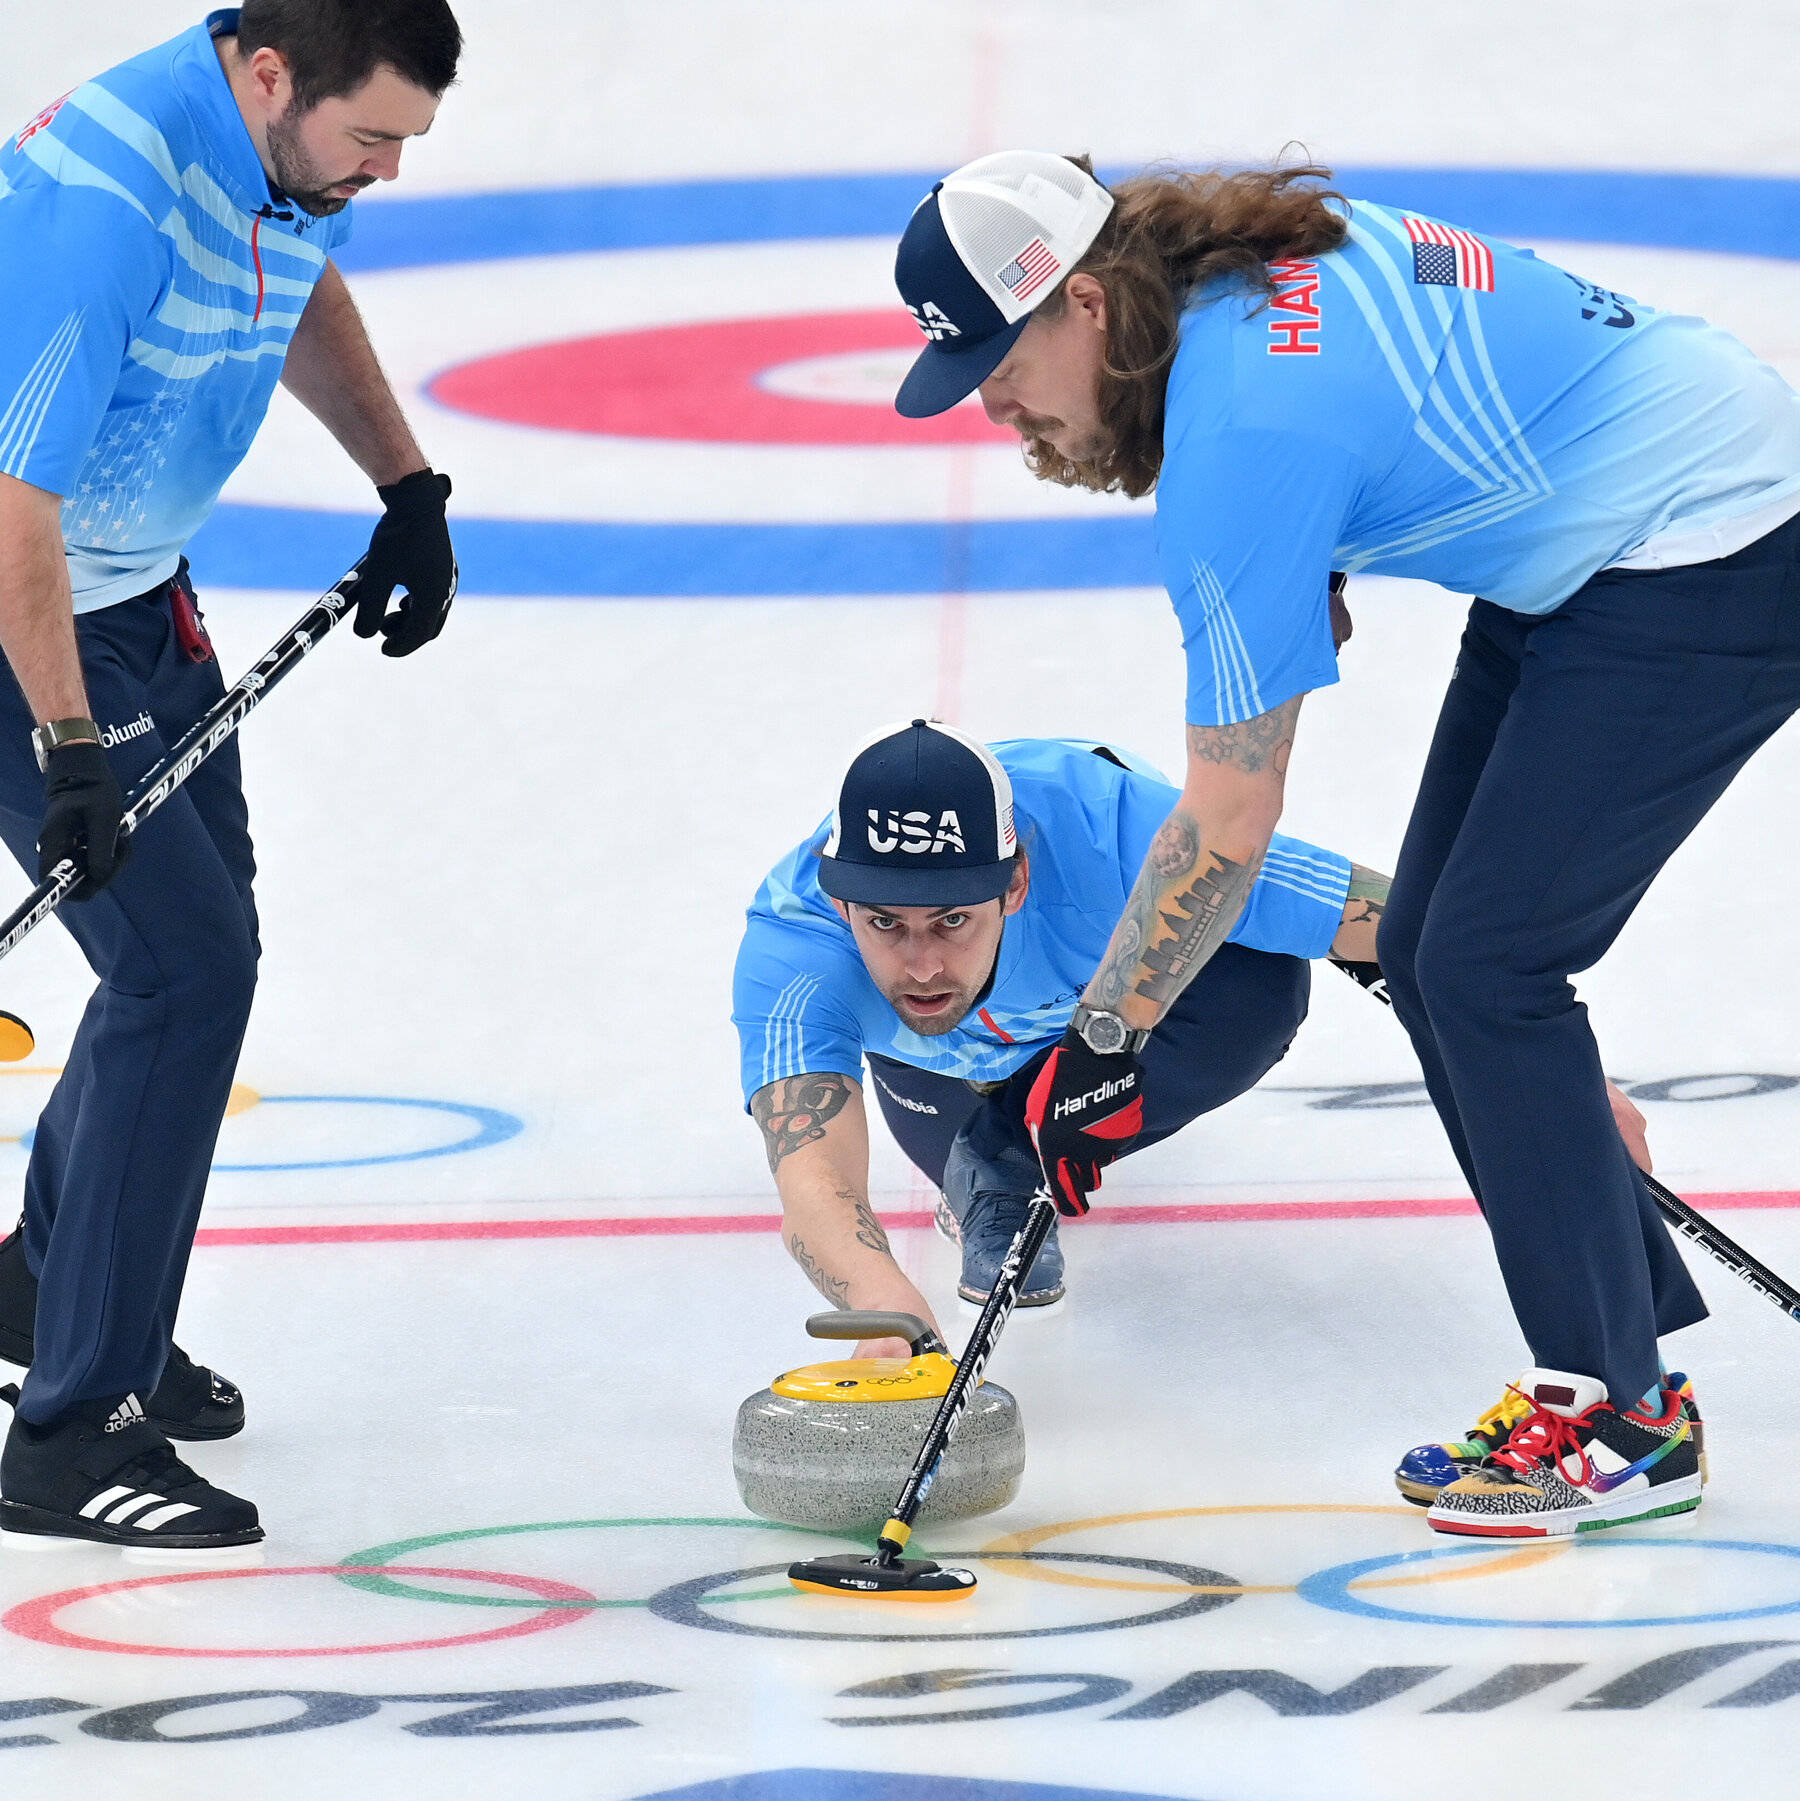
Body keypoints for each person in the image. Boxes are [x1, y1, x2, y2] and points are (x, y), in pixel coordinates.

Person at [884, 150, 1796, 1536]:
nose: (992, 402)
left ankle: (1621, 1413)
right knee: (1439, 953)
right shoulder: (1230, 268)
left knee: (1488, 967)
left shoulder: (1242, 444)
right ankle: (1616, 1332)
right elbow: (1402, 374)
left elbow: (1227, 825)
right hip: (1601, 525)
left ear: (1085, 304)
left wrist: (1104, 1045)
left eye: (1001, 357)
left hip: (1711, 543)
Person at [0, 0, 462, 1554]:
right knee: (182, 972)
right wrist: (65, 747)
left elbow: (300, 283)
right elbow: (11, 516)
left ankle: (43, 1280)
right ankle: (72, 1430)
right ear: (270, 77)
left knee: (207, 942)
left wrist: (404, 482)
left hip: (133, 590)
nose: (386, 172)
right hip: (28, 606)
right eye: (373, 138)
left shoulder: (282, 155)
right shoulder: (106, 203)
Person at [734, 717, 1393, 1357]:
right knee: (956, 1176)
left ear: (1016, 882)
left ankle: (1008, 1149)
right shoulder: (797, 940)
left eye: (952, 918)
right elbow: (815, 1181)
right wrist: (893, 1318)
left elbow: (1382, 919)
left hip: (1111, 1021)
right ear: (841, 904)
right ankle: (984, 1159)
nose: (923, 965)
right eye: (884, 923)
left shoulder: (1108, 832)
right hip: (938, 1080)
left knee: (1261, 981)